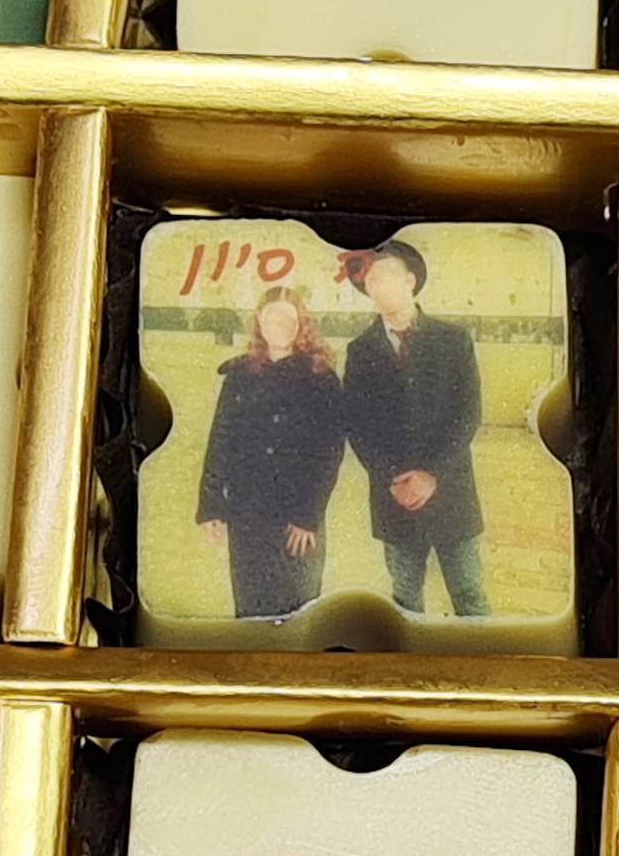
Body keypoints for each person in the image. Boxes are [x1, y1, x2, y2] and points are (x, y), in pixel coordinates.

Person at [338, 239, 490, 618]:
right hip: (395, 498)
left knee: (469, 594)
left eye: (388, 275)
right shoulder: (360, 350)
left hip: (451, 492)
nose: (380, 286)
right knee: (405, 598)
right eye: (371, 280)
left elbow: (467, 414)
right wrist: (392, 478)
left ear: (410, 280)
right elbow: (357, 426)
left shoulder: (453, 340)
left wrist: (432, 474)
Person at [192, 284, 346, 618]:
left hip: (296, 519)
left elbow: (329, 455)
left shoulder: (321, 379)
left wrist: (307, 517)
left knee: (298, 613)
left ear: (301, 324)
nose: (280, 325)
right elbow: (221, 441)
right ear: (260, 321)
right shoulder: (239, 376)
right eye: (272, 316)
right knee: (251, 611)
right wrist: (211, 505)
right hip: (247, 514)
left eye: (288, 318)